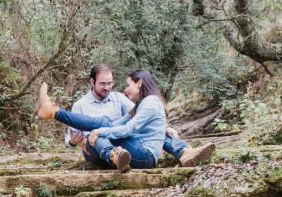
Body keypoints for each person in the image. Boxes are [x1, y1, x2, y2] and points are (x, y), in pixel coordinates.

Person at [43, 67, 215, 171]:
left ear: (139, 83)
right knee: (102, 128)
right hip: (102, 149)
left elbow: (129, 128)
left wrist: (98, 131)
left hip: (140, 154)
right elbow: (115, 124)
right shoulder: (82, 104)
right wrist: (82, 138)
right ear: (92, 82)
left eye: (126, 85)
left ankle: (53, 112)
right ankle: (53, 112)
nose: (111, 88)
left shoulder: (143, 102)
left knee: (102, 130)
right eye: (103, 84)